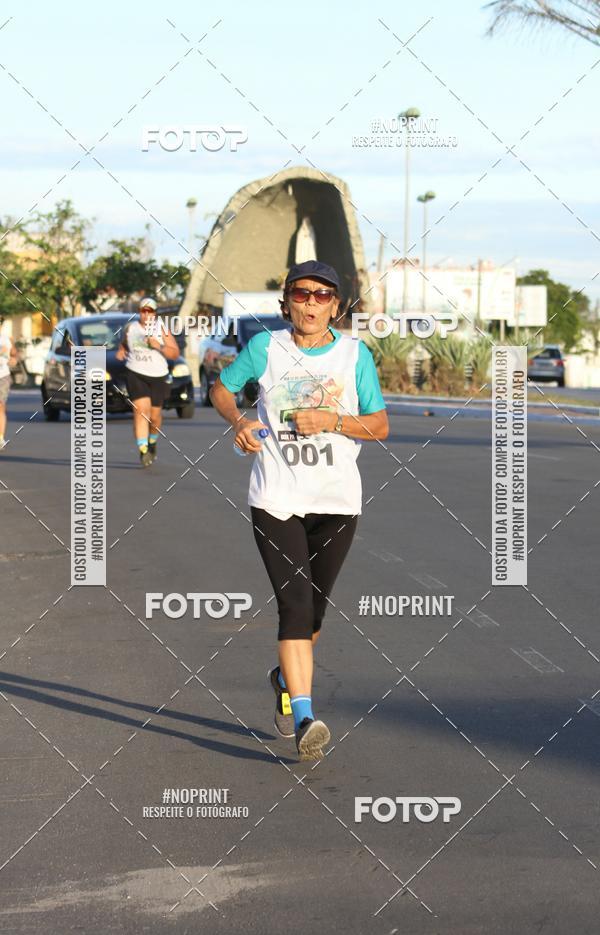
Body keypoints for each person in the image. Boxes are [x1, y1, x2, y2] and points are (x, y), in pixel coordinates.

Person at [210, 260, 388, 760]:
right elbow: (221, 389)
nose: (311, 303)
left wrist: (333, 418)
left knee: (313, 615)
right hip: (277, 498)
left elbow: (379, 425)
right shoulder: (266, 348)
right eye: (302, 294)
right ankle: (307, 715)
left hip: (336, 502)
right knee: (294, 605)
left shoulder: (355, 355)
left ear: (336, 305)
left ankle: (283, 679)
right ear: (286, 300)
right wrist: (238, 421)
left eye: (322, 295)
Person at [116, 298, 179, 466]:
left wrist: (158, 346)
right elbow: (124, 343)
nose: (146, 314)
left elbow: (174, 353)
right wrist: (121, 351)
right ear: (139, 312)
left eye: (149, 311)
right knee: (141, 410)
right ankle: (143, 450)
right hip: (135, 372)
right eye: (143, 311)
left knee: (155, 416)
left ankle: (152, 441)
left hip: (158, 375)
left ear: (154, 313)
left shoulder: (162, 328)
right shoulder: (131, 328)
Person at [0, 324, 18, 450]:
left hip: (3, 376)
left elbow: (14, 355)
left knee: (0, 406)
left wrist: (13, 360)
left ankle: (0, 438)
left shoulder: (6, 339)